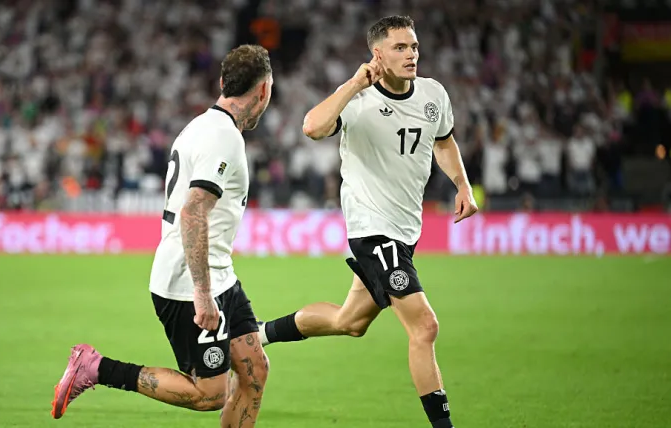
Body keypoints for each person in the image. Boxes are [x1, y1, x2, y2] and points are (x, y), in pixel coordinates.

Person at [258, 16, 477, 428]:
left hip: (405, 231)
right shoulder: (358, 102)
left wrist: (462, 185)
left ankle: (258, 333)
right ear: (378, 54)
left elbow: (444, 141)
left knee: (350, 321)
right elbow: (312, 126)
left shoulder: (433, 94)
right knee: (425, 327)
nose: (411, 54)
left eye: (413, 46)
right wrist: (355, 83)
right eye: (400, 47)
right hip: (373, 230)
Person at [51, 44, 274, 428]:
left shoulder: (200, 126)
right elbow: (193, 210)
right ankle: (97, 367)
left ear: (222, 82)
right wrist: (202, 292)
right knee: (209, 394)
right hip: (190, 281)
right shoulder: (223, 137)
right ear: (264, 91)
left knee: (254, 370)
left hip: (219, 274)